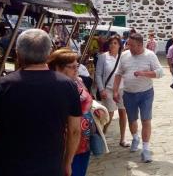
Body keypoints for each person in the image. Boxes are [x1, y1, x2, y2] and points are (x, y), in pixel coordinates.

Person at [0, 29, 82, 176]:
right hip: (50, 165)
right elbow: (75, 130)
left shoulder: (2, 85)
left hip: (9, 166)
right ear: (48, 53)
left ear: (18, 53)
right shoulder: (67, 85)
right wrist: (67, 162)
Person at [48, 48, 105, 176]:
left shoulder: (78, 81)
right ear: (57, 68)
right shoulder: (53, 87)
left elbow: (88, 99)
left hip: (84, 141)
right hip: (66, 145)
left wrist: (95, 109)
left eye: (77, 65)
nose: (76, 69)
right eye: (72, 67)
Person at [112, 33, 163, 163]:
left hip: (146, 92)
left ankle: (145, 150)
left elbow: (160, 73)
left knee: (146, 120)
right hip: (128, 93)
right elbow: (118, 74)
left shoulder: (150, 55)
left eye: (132, 45)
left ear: (140, 45)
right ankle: (135, 137)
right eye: (128, 44)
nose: (129, 47)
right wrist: (115, 91)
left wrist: (144, 73)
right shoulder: (124, 55)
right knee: (132, 119)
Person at [95, 35, 129, 148]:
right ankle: (102, 134)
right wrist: (101, 89)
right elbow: (98, 74)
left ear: (119, 45)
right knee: (109, 114)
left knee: (123, 112)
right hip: (108, 89)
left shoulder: (123, 57)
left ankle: (123, 138)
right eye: (110, 43)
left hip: (122, 88)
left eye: (115, 43)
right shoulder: (103, 57)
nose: (112, 45)